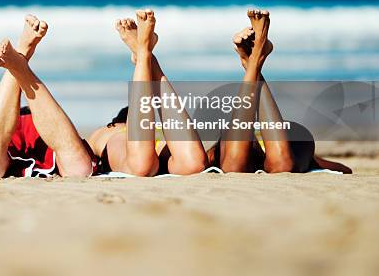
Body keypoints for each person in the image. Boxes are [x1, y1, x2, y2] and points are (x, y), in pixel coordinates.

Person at [207, 9, 352, 174]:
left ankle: (253, 61)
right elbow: (344, 170)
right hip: (275, 144)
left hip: (288, 136)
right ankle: (254, 59)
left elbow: (345, 170)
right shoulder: (217, 153)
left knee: (236, 165)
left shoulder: (218, 154)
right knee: (279, 165)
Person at [0, 15, 95, 178]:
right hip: (27, 119)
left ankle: (19, 60)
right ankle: (20, 58)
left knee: (79, 169)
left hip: (37, 122)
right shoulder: (115, 135)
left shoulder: (114, 135)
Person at [86, 9, 209, 176]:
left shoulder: (105, 132)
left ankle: (144, 53)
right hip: (144, 147)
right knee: (189, 163)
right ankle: (146, 56)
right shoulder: (110, 131)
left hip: (134, 151)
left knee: (192, 164)